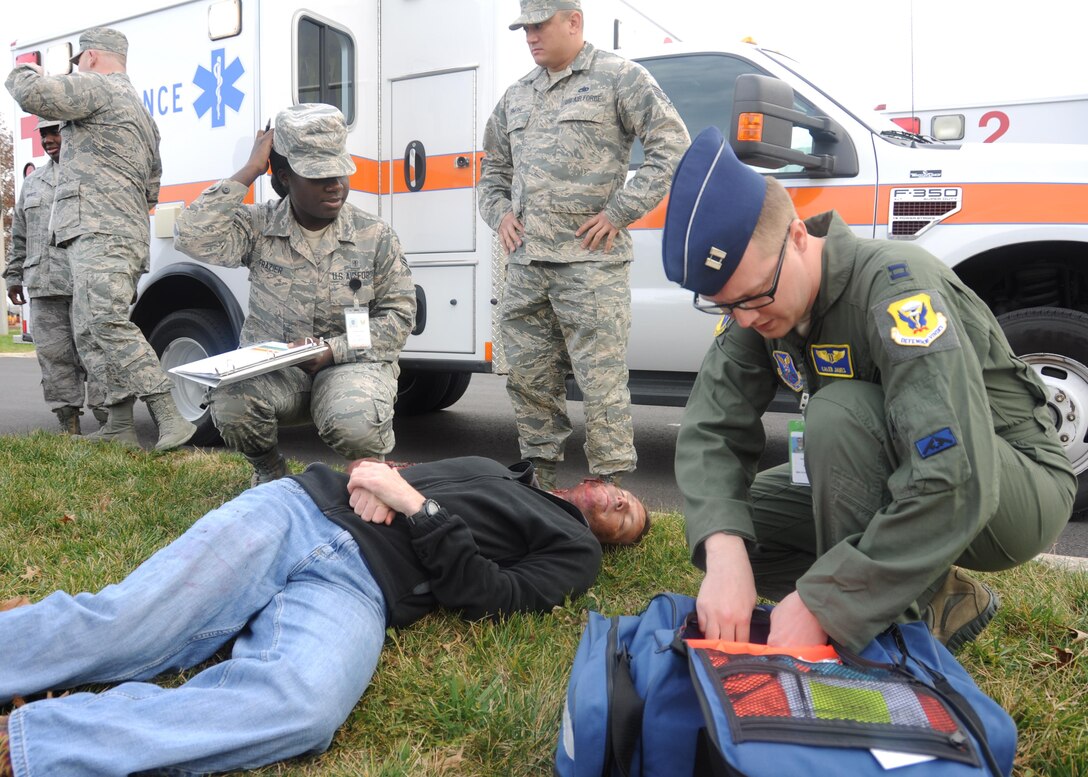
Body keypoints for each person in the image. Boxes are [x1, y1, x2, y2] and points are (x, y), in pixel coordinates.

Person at [662, 126, 1075, 653]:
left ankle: (888, 642)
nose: (743, 320)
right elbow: (711, 429)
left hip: (1008, 485)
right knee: (740, 525)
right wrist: (724, 554)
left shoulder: (896, 291)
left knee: (839, 414)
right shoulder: (758, 302)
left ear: (796, 236)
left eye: (752, 298)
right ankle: (938, 598)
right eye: (725, 307)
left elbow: (956, 474)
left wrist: (826, 601)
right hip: (915, 467)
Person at [0, 456, 648, 776]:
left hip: (362, 589)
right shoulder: (503, 469)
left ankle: (31, 744)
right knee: (133, 621)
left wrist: (415, 507)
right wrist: (374, 472)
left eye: (629, 517)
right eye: (626, 494)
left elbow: (491, 596)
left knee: (303, 706)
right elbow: (386, 472)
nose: (621, 502)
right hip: (296, 509)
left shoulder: (576, 550)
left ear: (613, 541)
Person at [477, 0, 689, 490]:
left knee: (602, 384)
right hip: (527, 265)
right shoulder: (516, 96)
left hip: (590, 266)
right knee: (529, 380)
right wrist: (500, 215)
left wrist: (620, 212)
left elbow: (671, 145)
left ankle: (609, 493)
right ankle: (539, 482)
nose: (530, 36)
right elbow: (492, 171)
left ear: (574, 22)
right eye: (524, 28)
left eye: (539, 25)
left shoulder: (620, 77)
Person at [174, 104, 417, 486]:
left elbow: (399, 318)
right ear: (285, 177)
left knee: (354, 420)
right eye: (318, 176)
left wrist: (333, 350)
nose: (335, 184)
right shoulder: (258, 225)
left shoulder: (375, 235)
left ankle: (372, 481)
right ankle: (269, 474)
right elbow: (190, 235)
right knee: (231, 401)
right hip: (276, 372)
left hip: (349, 367)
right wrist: (250, 169)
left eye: (340, 171)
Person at [5, 27, 195, 451]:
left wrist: (24, 69)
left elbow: (34, 96)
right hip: (117, 231)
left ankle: (169, 416)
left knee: (105, 323)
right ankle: (120, 425)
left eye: (79, 61)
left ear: (90, 57)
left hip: (100, 230)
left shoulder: (100, 87)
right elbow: (152, 186)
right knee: (93, 327)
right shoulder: (143, 115)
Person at [4, 117, 107, 434]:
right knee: (53, 357)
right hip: (44, 285)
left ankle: (109, 422)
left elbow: (112, 232)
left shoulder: (94, 177)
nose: (48, 139)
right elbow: (19, 233)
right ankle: (68, 424)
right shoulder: (33, 183)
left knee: (98, 354)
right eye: (43, 134)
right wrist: (13, 275)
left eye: (54, 132)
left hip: (86, 283)